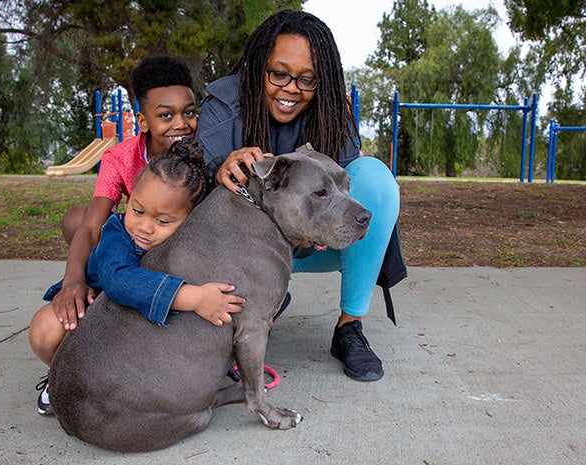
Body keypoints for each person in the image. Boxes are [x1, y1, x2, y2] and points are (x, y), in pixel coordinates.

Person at [195, 10, 402, 383]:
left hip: (313, 248)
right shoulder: (223, 105)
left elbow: (346, 188)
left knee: (375, 177)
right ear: (259, 67)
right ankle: (263, 299)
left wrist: (325, 213)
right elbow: (188, 198)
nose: (292, 88)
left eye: (307, 79)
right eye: (279, 74)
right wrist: (217, 168)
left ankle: (349, 328)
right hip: (241, 254)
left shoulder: (331, 112)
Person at [30, 139, 245, 415]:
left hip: (141, 329)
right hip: (99, 313)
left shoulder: (192, 240)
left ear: (191, 220)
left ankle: (151, 384)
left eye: (162, 221)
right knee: (45, 329)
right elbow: (118, 280)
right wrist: (194, 297)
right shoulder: (118, 234)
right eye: (138, 210)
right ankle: (64, 375)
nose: (144, 227)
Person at [55, 54, 199, 334]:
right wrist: (72, 279)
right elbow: (92, 224)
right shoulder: (120, 157)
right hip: (143, 244)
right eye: (166, 115)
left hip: (184, 247)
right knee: (77, 219)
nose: (181, 124)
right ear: (143, 122)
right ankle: (112, 285)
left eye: (189, 112)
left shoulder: (202, 153)